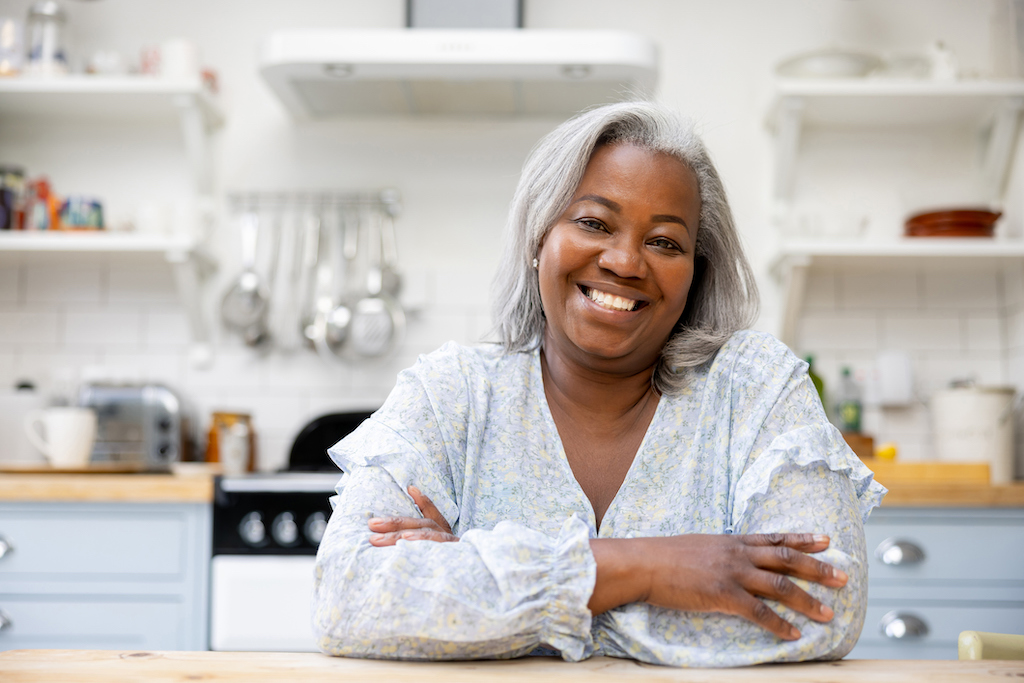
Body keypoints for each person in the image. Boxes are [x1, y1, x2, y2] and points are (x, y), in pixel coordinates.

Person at [311, 101, 886, 667]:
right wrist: (644, 569)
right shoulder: (451, 392)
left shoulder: (755, 386)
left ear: (696, 272)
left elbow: (824, 608)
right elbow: (349, 595)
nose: (625, 261)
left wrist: (476, 581)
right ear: (539, 239)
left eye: (664, 241)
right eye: (593, 223)